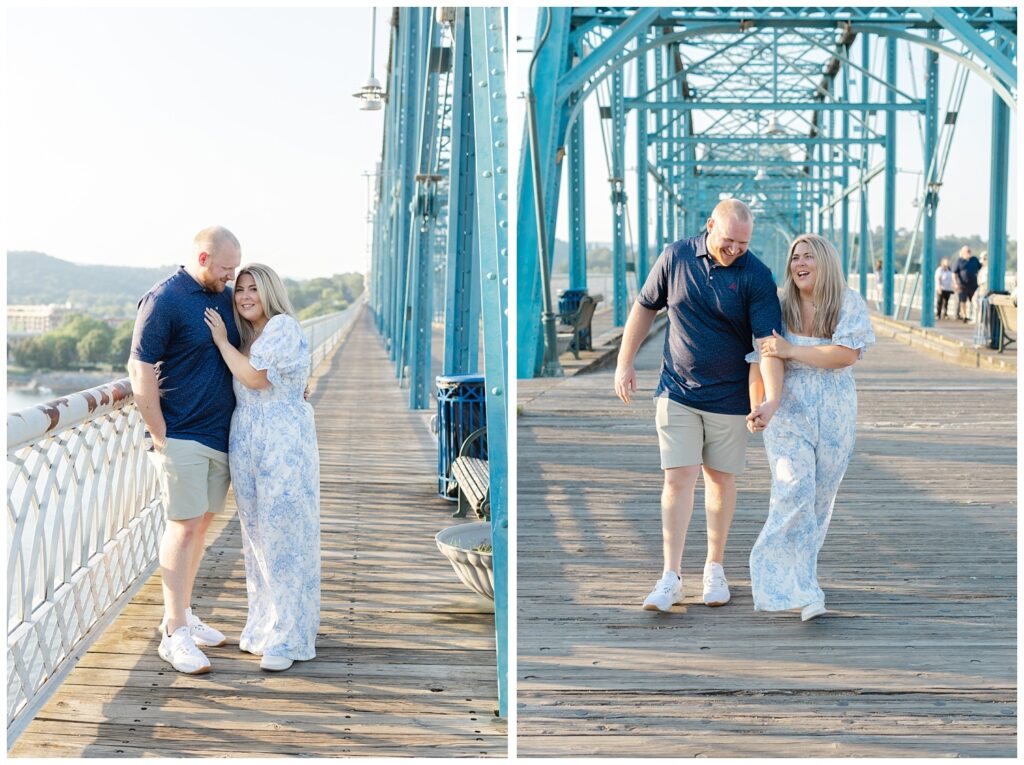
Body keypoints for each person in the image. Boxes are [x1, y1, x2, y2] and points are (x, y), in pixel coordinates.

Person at [614, 199, 784, 613]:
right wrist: (624, 362)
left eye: (743, 243)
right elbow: (644, 308)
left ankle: (714, 567)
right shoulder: (675, 257)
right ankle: (670, 576)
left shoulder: (757, 275)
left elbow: (769, 345)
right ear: (710, 226)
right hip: (677, 390)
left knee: (720, 479)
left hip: (730, 397)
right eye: (729, 241)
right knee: (679, 477)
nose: (736, 250)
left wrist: (770, 399)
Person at [128, 226, 242, 674]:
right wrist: (159, 433)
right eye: (225, 268)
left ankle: (184, 613)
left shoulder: (223, 296)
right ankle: (173, 633)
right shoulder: (164, 299)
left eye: (235, 268)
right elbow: (139, 371)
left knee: (201, 525)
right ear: (201, 259)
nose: (232, 276)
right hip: (182, 433)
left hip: (221, 433)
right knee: (183, 527)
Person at [746, 234, 875, 621]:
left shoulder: (846, 302)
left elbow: (845, 355)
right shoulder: (777, 306)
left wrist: (792, 349)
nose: (799, 263)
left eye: (808, 256)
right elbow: (759, 359)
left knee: (819, 500)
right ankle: (779, 579)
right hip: (787, 408)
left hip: (835, 409)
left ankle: (802, 579)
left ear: (825, 262)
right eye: (794, 257)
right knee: (793, 489)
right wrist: (761, 405)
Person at [204, 263, 320, 672]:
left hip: (283, 444)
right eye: (240, 290)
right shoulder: (250, 336)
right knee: (256, 539)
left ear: (270, 291)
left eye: (254, 288)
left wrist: (220, 340)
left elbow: (255, 380)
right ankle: (264, 626)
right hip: (247, 441)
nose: (246, 296)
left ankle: (290, 636)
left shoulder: (282, 327)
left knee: (285, 536)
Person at [953, 246, 982, 322]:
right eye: (967, 251)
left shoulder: (974, 260)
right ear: (963, 252)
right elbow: (954, 273)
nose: (969, 252)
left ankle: (975, 316)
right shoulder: (959, 261)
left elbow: (981, 268)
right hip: (962, 285)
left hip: (973, 285)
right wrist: (955, 283)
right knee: (963, 301)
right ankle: (964, 316)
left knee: (975, 301)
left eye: (969, 251)